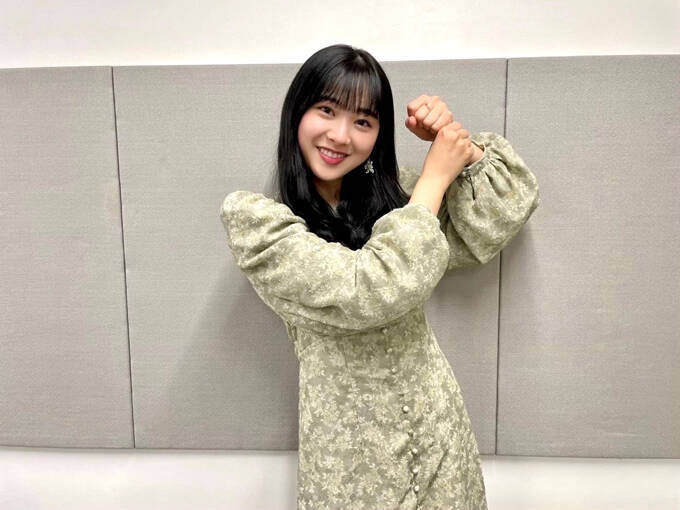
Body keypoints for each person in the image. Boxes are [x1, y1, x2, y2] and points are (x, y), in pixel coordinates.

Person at [220, 43, 540, 510]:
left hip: (440, 438)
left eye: (363, 121)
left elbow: (499, 217)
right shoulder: (259, 225)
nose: (340, 135)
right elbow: (367, 291)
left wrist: (461, 149)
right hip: (351, 463)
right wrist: (434, 180)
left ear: (378, 135)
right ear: (296, 113)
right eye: (326, 110)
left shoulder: (396, 198)